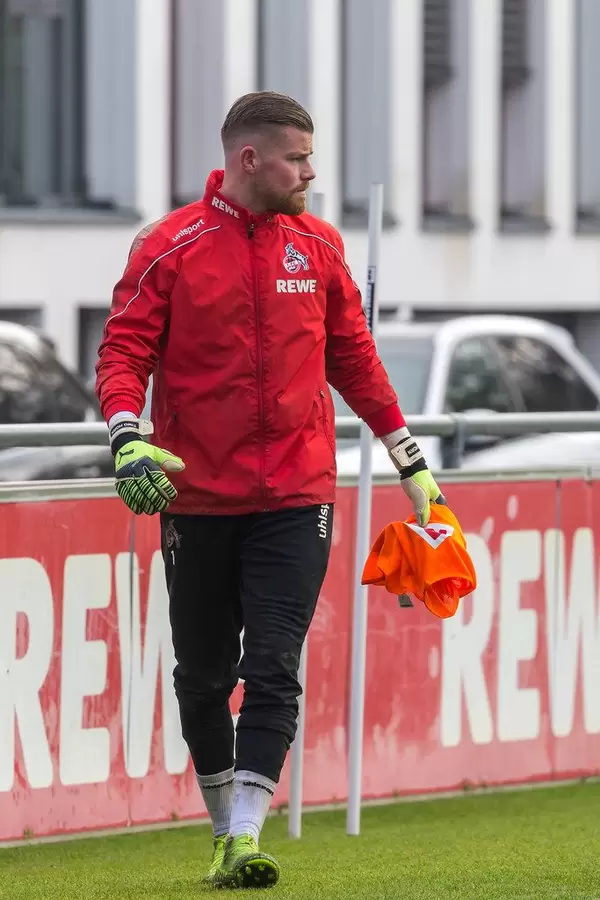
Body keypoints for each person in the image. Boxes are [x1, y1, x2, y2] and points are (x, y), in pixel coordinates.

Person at [95, 90, 445, 889]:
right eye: (298, 158)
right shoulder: (170, 245)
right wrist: (126, 435)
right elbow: (123, 352)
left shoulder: (318, 247)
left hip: (298, 493)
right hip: (198, 499)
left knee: (276, 664)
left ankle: (247, 835)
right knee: (203, 676)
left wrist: (410, 459)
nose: (311, 174)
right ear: (249, 159)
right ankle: (225, 831)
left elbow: (354, 357)